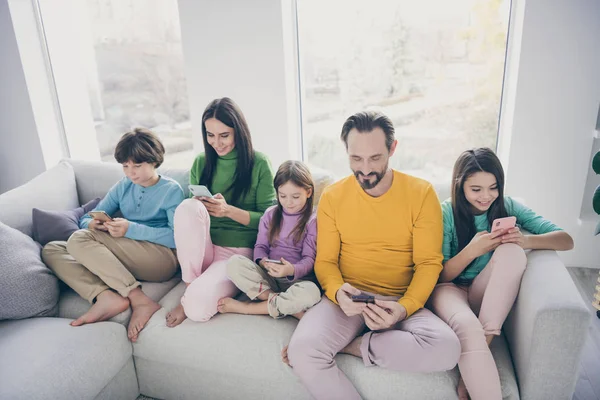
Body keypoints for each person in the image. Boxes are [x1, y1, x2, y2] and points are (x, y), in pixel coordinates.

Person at [285, 111, 461, 400]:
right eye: (356, 159)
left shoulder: (421, 193)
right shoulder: (331, 196)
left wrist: (404, 308)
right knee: (302, 351)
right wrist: (337, 291)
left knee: (447, 348)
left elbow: (429, 263)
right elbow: (326, 261)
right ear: (347, 152)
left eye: (375, 158)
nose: (365, 169)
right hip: (349, 299)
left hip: (400, 299)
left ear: (392, 149)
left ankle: (355, 345)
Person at [428, 147, 574, 400]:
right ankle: (478, 367)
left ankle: (479, 353)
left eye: (493, 187)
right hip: (449, 290)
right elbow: (440, 277)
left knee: (512, 252)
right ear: (460, 186)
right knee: (466, 326)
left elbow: (566, 240)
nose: (486, 196)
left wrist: (525, 242)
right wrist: (472, 250)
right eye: (476, 189)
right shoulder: (444, 213)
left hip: (484, 293)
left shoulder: (506, 206)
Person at [42, 128, 184, 342]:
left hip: (161, 260)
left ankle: (138, 298)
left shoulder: (171, 190)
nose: (130, 172)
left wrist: (131, 229)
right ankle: (104, 296)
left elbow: (176, 237)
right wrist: (94, 224)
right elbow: (87, 218)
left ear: (154, 161)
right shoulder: (124, 185)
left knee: (79, 239)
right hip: (126, 255)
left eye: (137, 165)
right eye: (125, 166)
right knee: (52, 249)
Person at [165, 97, 276, 326]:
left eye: (224, 135)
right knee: (187, 206)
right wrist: (199, 205)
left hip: (235, 253)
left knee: (196, 310)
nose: (217, 143)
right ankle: (191, 286)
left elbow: (270, 220)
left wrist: (227, 211)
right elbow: (189, 221)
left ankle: (192, 297)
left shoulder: (259, 163)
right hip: (202, 247)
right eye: (210, 135)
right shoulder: (201, 162)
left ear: (239, 131)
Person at [219, 160, 321, 319]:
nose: (288, 202)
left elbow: (309, 260)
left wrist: (290, 270)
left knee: (312, 293)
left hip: (298, 280)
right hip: (270, 278)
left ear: (308, 192)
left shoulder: (312, 220)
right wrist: (262, 262)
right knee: (234, 263)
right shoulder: (270, 214)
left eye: (295, 196)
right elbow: (260, 246)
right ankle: (286, 307)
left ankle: (248, 308)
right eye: (283, 196)